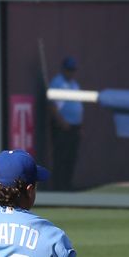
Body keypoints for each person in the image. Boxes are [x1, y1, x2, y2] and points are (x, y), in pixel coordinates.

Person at [48, 56, 83, 191]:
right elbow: (52, 105)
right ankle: (59, 187)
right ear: (63, 69)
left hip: (74, 127)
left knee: (71, 157)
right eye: (69, 70)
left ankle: (68, 185)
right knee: (61, 157)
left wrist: (80, 125)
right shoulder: (58, 82)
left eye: (73, 70)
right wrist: (61, 121)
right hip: (62, 127)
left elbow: (78, 105)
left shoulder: (75, 84)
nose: (71, 73)